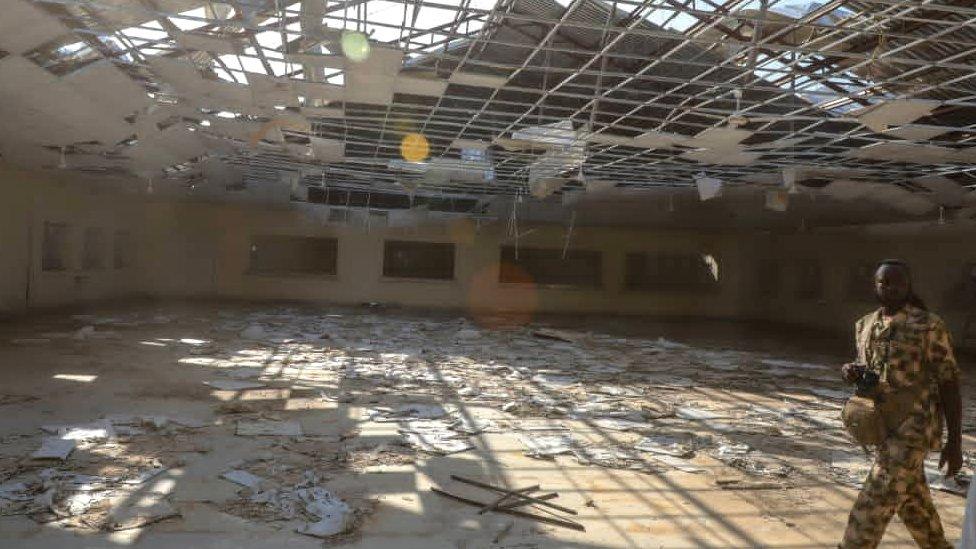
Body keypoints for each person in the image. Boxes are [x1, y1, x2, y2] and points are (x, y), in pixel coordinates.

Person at [839, 259, 963, 549]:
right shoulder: (865, 325)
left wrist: (954, 441)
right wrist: (852, 371)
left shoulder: (928, 326)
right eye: (884, 282)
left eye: (898, 282)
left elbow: (949, 382)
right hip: (881, 426)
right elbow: (869, 367)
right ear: (875, 285)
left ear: (908, 286)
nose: (891, 288)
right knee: (914, 504)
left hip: (913, 431)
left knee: (870, 508)